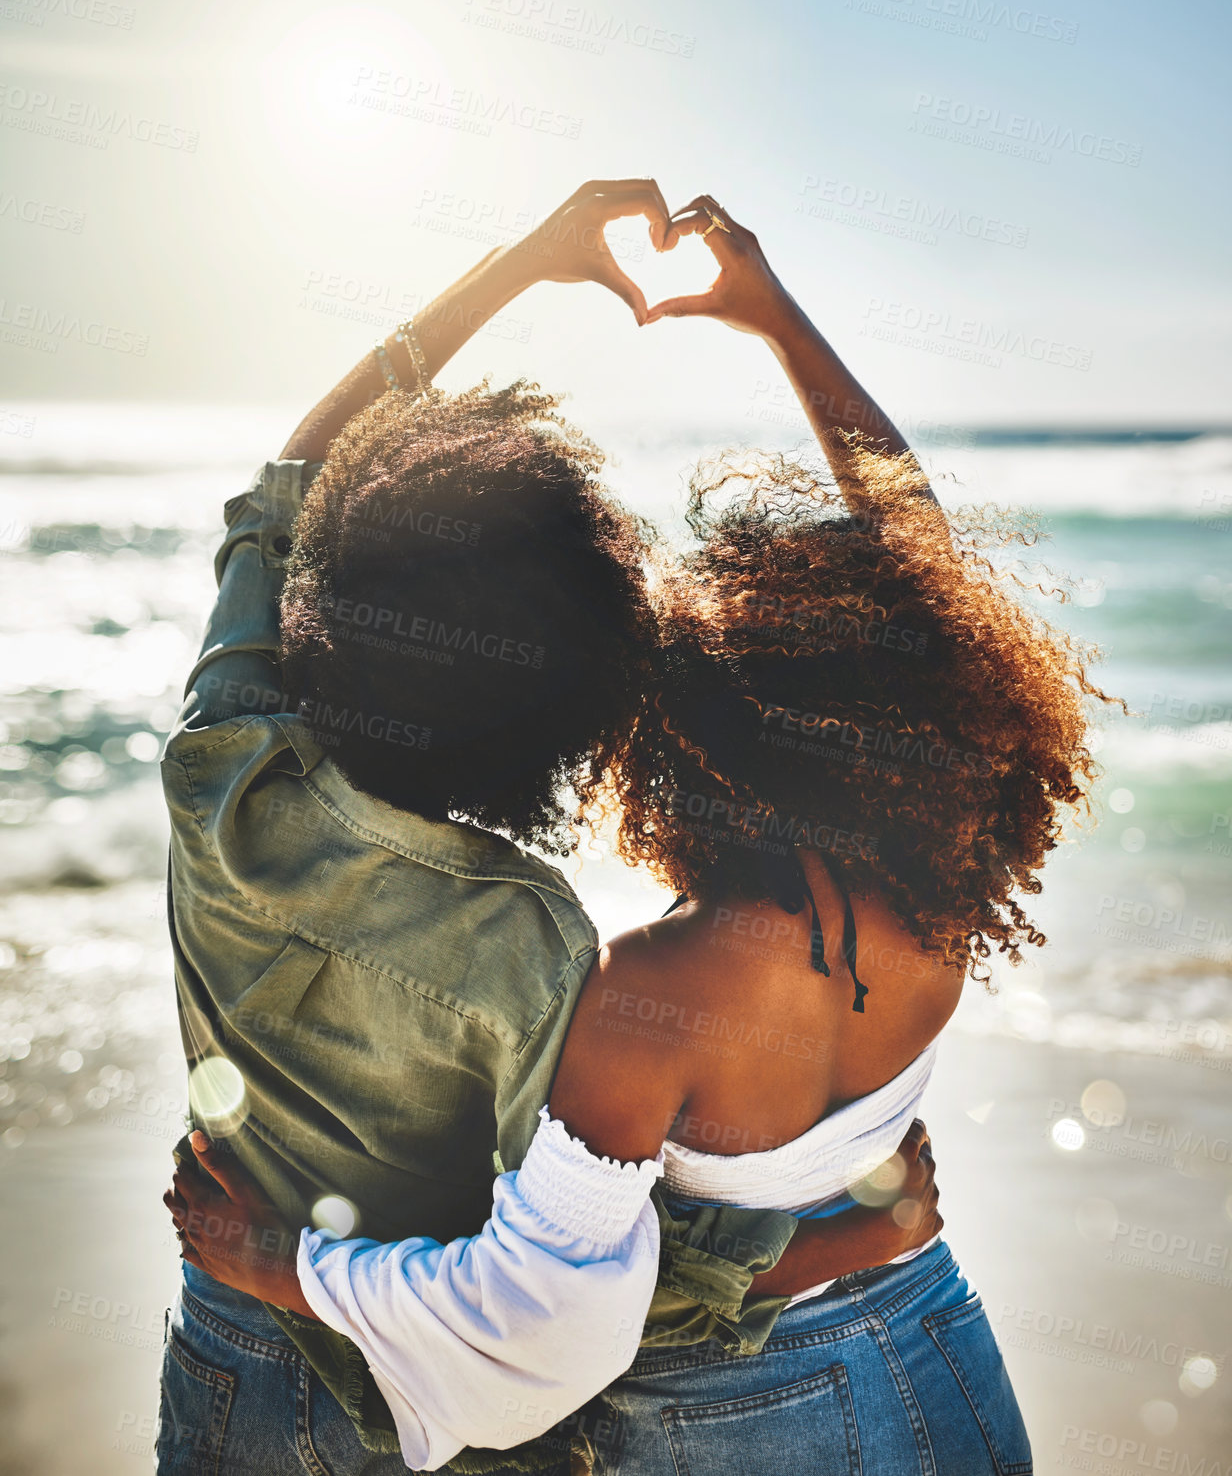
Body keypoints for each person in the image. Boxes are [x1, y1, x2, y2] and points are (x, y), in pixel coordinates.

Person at [168, 195, 1109, 1472]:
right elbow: (911, 553)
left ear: (668, 739)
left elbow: (561, 1314)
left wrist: (518, 262)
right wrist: (779, 319)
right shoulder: (947, 869)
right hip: (930, 1335)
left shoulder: (629, 984)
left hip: (734, 1412)